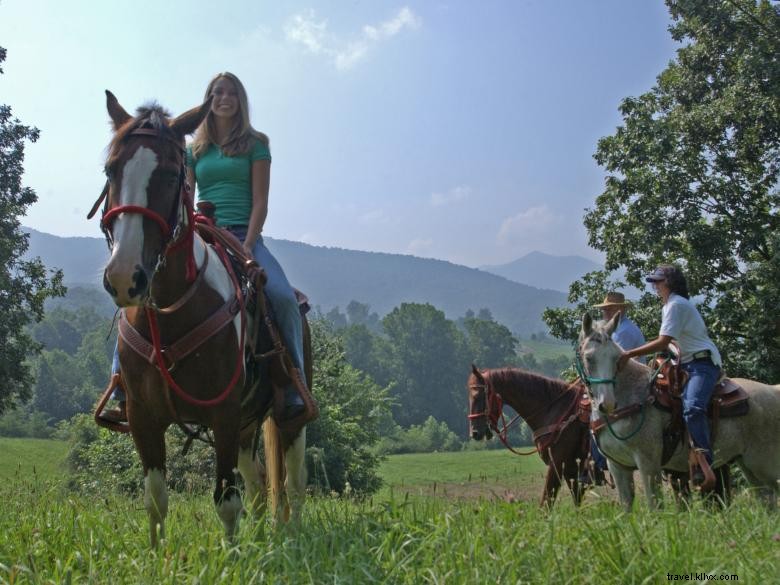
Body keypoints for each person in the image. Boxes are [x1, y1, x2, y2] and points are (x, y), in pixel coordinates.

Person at [101, 72, 305, 423]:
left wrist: (249, 244)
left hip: (243, 234)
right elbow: (184, 196)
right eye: (217, 92)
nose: (224, 98)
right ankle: (121, 384)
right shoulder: (193, 149)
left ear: (240, 100)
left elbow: (260, 202)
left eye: (231, 93)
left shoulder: (256, 144)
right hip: (201, 231)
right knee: (143, 288)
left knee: (283, 298)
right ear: (208, 101)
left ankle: (293, 385)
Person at [616, 264, 722, 487]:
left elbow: (663, 341)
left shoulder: (675, 305)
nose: (654, 285)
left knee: (693, 408)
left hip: (702, 364)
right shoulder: (669, 305)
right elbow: (671, 343)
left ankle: (704, 459)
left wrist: (629, 354)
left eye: (658, 281)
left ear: (670, 283)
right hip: (685, 363)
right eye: (653, 282)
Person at [584, 292, 646, 485]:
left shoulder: (622, 332)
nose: (605, 312)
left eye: (609, 309)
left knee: (591, 415)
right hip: (622, 382)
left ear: (620, 310)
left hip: (629, 386)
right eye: (604, 309)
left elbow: (612, 364)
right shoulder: (619, 329)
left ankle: (597, 463)